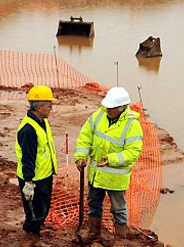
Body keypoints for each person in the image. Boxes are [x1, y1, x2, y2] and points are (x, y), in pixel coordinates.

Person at [74, 87, 144, 247]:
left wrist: (111, 159)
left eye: (111, 108)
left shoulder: (132, 125)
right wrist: (80, 156)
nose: (108, 110)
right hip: (96, 175)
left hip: (115, 179)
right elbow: (85, 136)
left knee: (118, 209)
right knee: (93, 204)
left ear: (122, 108)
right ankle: (94, 234)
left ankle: (119, 239)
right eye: (107, 106)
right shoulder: (99, 115)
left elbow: (133, 152)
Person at [15, 85, 58, 247]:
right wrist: (28, 182)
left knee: (43, 209)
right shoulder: (28, 130)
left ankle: (35, 231)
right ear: (39, 107)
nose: (51, 108)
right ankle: (30, 237)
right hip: (34, 178)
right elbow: (28, 157)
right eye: (49, 105)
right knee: (35, 212)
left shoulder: (42, 122)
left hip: (44, 175)